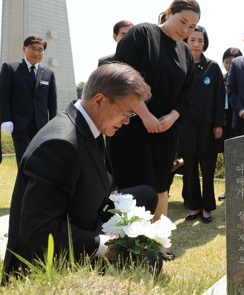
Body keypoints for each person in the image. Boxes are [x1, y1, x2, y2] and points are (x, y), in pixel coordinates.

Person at [2, 63, 157, 282]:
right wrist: (104, 245)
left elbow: (102, 181)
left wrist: (128, 218)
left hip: (84, 219)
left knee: (146, 195)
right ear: (99, 101)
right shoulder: (60, 145)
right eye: (126, 113)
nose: (127, 121)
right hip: (47, 259)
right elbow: (37, 229)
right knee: (149, 260)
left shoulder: (90, 125)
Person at [106, 0, 200, 259]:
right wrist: (144, 114)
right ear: (168, 13)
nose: (186, 30)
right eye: (183, 21)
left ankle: (158, 243)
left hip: (165, 131)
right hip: (131, 125)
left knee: (161, 185)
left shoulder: (184, 52)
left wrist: (172, 117)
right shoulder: (141, 35)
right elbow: (123, 75)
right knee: (129, 185)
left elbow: (188, 92)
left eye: (192, 27)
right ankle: (122, 246)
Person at [180, 26, 225, 223]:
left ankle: (207, 208)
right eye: (192, 40)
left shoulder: (213, 67)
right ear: (185, 42)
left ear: (205, 42)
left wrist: (218, 124)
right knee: (189, 170)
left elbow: (219, 98)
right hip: (186, 127)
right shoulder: (180, 66)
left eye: (200, 40)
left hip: (208, 127)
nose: (196, 44)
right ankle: (194, 206)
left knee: (208, 170)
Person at [0, 36, 57, 165]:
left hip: (41, 127)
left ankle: (36, 185)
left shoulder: (48, 73)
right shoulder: (10, 68)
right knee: (25, 160)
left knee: (40, 160)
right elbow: (4, 96)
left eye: (40, 50)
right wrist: (5, 119)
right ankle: (24, 185)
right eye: (32, 48)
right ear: (24, 49)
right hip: (20, 125)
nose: (36, 53)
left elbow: (52, 102)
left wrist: (53, 124)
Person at [217, 47, 243, 202]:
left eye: (232, 63)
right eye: (226, 62)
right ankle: (229, 190)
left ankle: (242, 189)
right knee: (229, 157)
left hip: (239, 120)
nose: (229, 66)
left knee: (241, 157)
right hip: (224, 120)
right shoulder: (221, 78)